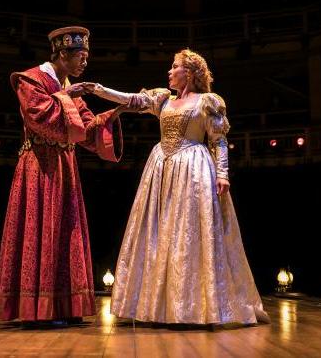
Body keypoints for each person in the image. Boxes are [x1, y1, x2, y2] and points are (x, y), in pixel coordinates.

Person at [82, 48, 271, 325]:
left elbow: (218, 140)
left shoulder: (207, 101)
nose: (169, 71)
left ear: (190, 73)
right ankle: (159, 307)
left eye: (175, 67)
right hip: (162, 168)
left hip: (194, 168)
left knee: (190, 232)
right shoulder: (163, 99)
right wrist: (97, 90)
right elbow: (132, 100)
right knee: (159, 232)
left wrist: (223, 174)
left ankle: (193, 308)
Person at [0, 26, 130, 324]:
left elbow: (86, 130)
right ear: (61, 53)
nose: (84, 63)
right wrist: (66, 95)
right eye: (80, 56)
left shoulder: (69, 87)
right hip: (40, 165)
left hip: (64, 166)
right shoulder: (31, 79)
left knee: (65, 231)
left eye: (86, 57)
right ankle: (35, 310)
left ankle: (65, 307)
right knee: (40, 228)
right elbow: (42, 117)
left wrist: (115, 113)